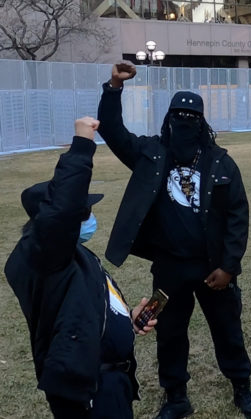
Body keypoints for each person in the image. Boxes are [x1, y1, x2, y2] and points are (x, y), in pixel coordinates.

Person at [97, 61, 251, 419]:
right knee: (169, 335)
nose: (184, 121)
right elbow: (111, 130)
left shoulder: (220, 162)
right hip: (169, 267)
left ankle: (242, 388)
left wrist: (229, 266)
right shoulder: (151, 154)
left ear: (201, 122)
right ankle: (176, 398)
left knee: (228, 329)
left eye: (191, 116)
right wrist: (113, 87)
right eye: (178, 114)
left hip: (212, 267)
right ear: (168, 117)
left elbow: (238, 214)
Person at [4, 117, 157, 418]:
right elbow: (61, 211)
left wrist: (128, 319)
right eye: (81, 211)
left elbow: (85, 309)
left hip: (112, 383)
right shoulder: (43, 258)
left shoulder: (74, 256)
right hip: (87, 392)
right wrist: (82, 145)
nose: (87, 217)